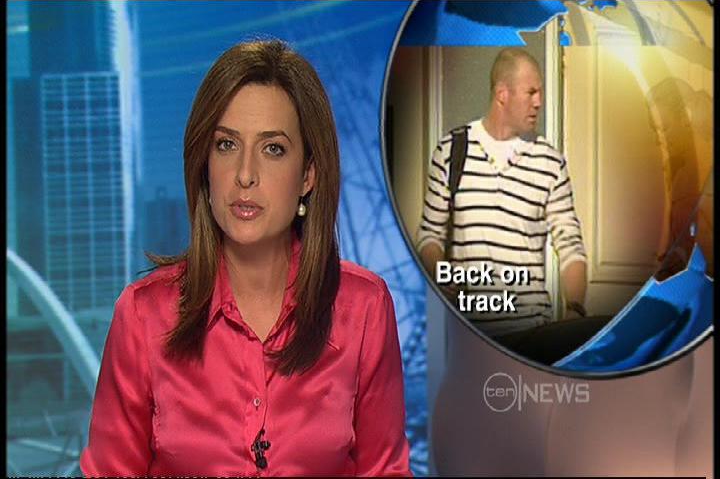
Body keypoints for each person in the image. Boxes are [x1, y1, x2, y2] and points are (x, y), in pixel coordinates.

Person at [80, 40, 411, 477]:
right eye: (226, 145)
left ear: (308, 174)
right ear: (204, 165)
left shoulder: (363, 309)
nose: (245, 175)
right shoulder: (143, 316)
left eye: (273, 149)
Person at [416, 48, 587, 338]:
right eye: (531, 92)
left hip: (531, 332)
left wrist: (575, 311)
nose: (539, 102)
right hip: (467, 332)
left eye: (540, 93)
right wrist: (440, 273)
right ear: (502, 94)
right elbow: (428, 235)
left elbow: (571, 246)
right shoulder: (452, 150)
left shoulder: (549, 161)